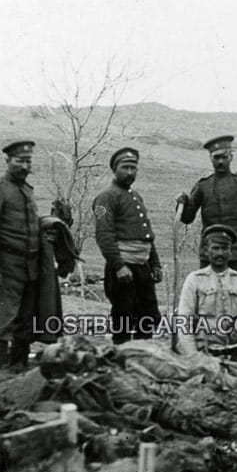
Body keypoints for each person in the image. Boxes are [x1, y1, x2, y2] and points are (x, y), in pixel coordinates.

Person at [0, 140, 61, 369]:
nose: (24, 166)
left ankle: (18, 368)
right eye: (19, 161)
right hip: (6, 267)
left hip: (30, 267)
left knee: (25, 321)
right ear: (8, 161)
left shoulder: (26, 190)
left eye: (28, 161)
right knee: (2, 321)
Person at [92, 147, 163, 343]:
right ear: (115, 169)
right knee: (123, 319)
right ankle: (122, 361)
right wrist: (119, 266)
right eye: (125, 167)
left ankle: (142, 360)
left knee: (146, 317)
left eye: (134, 167)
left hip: (143, 267)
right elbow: (104, 235)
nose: (130, 172)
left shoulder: (136, 197)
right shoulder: (105, 198)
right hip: (123, 270)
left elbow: (146, 235)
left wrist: (155, 264)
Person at [175, 135, 237, 274]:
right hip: (209, 254)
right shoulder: (202, 186)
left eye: (224, 157)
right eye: (216, 158)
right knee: (207, 293)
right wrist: (182, 202)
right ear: (210, 159)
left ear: (231, 157)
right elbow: (187, 218)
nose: (221, 161)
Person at [176, 225, 237, 362]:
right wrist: (193, 358)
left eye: (225, 248)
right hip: (205, 356)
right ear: (206, 251)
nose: (220, 253)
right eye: (215, 248)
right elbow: (184, 323)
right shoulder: (194, 280)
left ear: (230, 251)